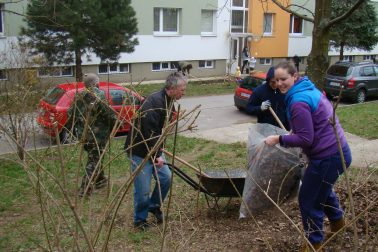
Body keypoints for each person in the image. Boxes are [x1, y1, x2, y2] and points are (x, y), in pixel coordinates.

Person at [264, 61, 352, 251]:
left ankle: (314, 243)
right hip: (339, 152)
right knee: (322, 190)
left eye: (284, 79)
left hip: (328, 157)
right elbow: (311, 126)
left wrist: (278, 139)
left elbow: (305, 139)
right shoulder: (308, 89)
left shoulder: (298, 102)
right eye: (276, 80)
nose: (279, 84)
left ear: (294, 76)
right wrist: (293, 132)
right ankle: (338, 224)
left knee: (309, 199)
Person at [125, 72, 187, 230]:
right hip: (140, 150)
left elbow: (161, 129)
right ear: (172, 88)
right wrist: (157, 155)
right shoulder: (154, 102)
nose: (184, 92)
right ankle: (140, 220)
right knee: (143, 188)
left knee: (166, 178)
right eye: (182, 89)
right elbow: (149, 132)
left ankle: (154, 206)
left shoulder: (168, 100)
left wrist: (160, 149)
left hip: (154, 147)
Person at [67, 73, 117, 197]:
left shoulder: (79, 95)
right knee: (94, 159)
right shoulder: (98, 94)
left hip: (83, 134)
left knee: (94, 156)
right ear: (95, 83)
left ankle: (100, 180)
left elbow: (70, 114)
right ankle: (85, 189)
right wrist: (117, 122)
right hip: (97, 135)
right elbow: (108, 113)